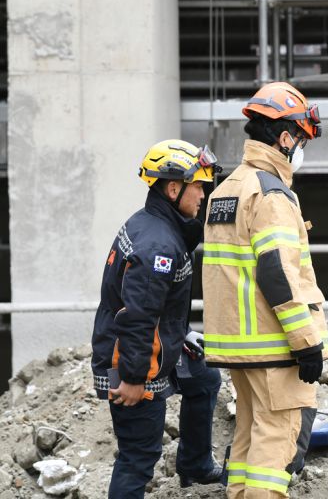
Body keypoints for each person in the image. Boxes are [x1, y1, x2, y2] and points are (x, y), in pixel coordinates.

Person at [202, 81, 328, 499]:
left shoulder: (225, 190)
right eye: (302, 139)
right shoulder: (272, 194)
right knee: (276, 448)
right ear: (286, 137)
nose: (302, 150)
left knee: (248, 441)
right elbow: (276, 271)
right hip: (274, 344)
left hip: (239, 344)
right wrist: (306, 341)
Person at [91, 139, 224, 497]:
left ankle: (195, 467)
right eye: (198, 185)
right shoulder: (157, 248)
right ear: (173, 187)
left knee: (205, 378)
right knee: (139, 457)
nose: (203, 193)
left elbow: (157, 305)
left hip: (154, 347)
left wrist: (181, 334)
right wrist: (133, 380)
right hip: (130, 364)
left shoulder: (155, 225)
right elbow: (137, 318)